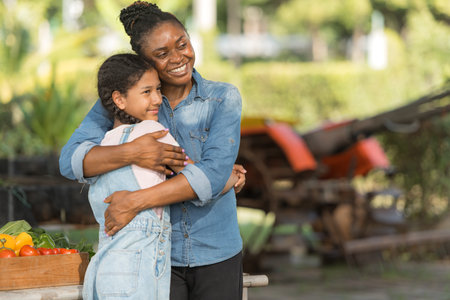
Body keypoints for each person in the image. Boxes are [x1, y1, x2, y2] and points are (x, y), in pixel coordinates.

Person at [59, 2, 245, 299]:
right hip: (157, 258)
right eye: (162, 54)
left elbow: (210, 177)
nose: (178, 57)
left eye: (182, 44)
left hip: (216, 251)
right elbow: (71, 161)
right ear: (143, 61)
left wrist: (135, 201)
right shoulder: (122, 101)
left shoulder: (222, 99)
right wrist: (135, 152)